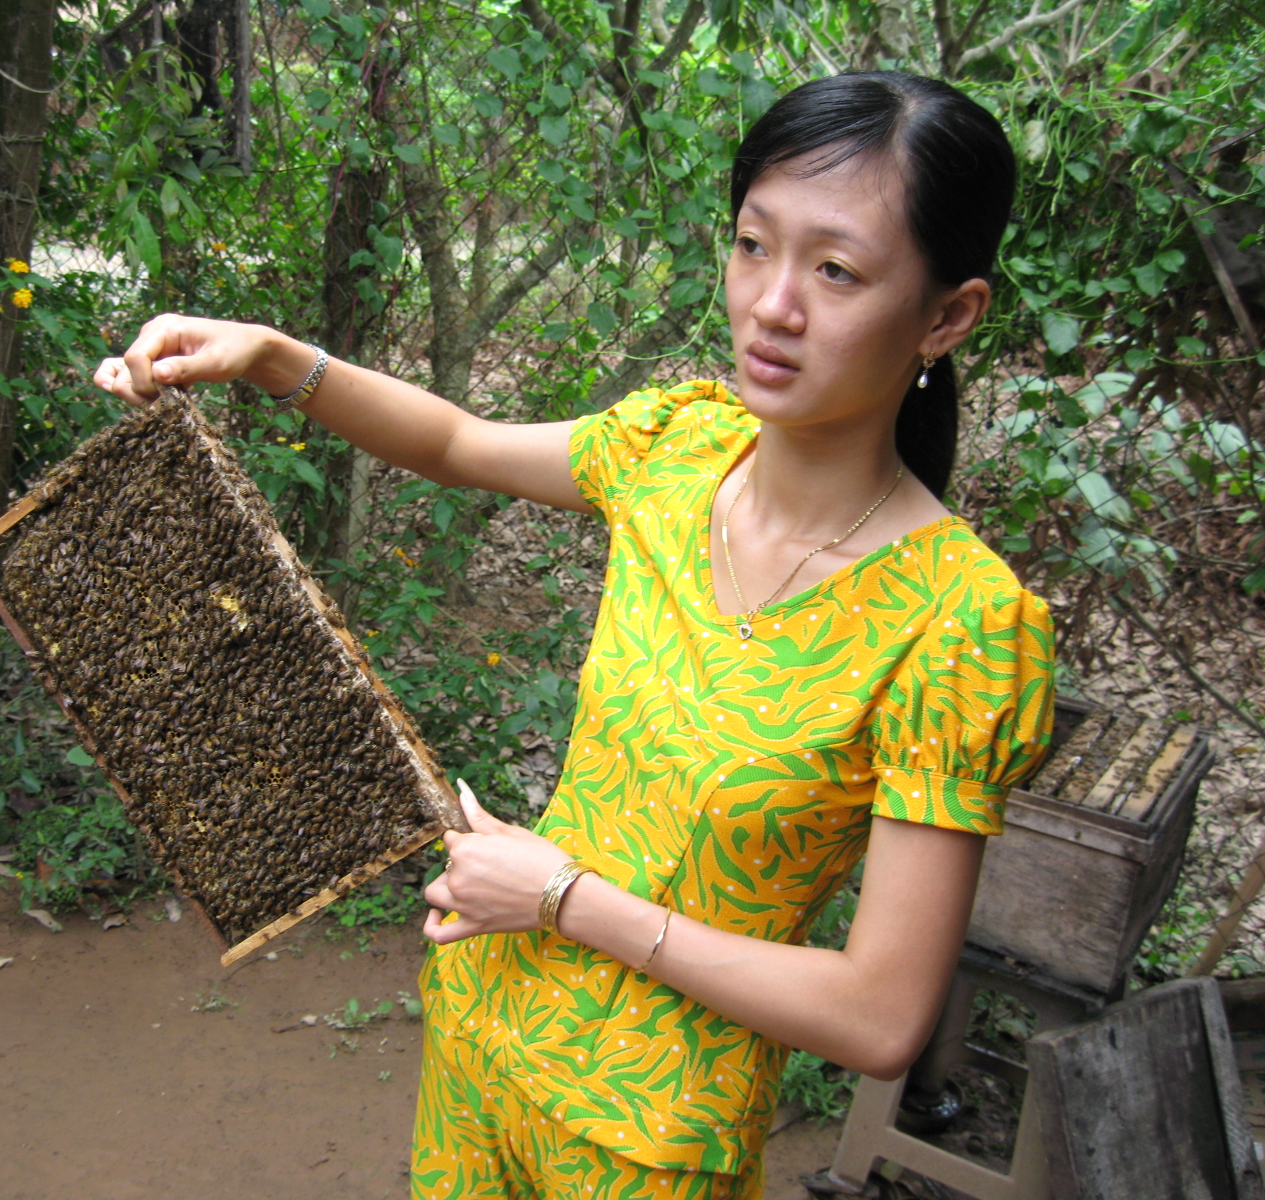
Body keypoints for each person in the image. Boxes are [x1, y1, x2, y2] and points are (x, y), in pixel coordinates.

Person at [94, 70, 1055, 1200]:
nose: (772, 304)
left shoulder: (961, 624)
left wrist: (562, 899)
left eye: (835, 270)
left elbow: (880, 1017)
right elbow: (458, 442)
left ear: (947, 315)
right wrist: (266, 354)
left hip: (647, 1146)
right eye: (752, 246)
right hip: (481, 1032)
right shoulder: (678, 448)